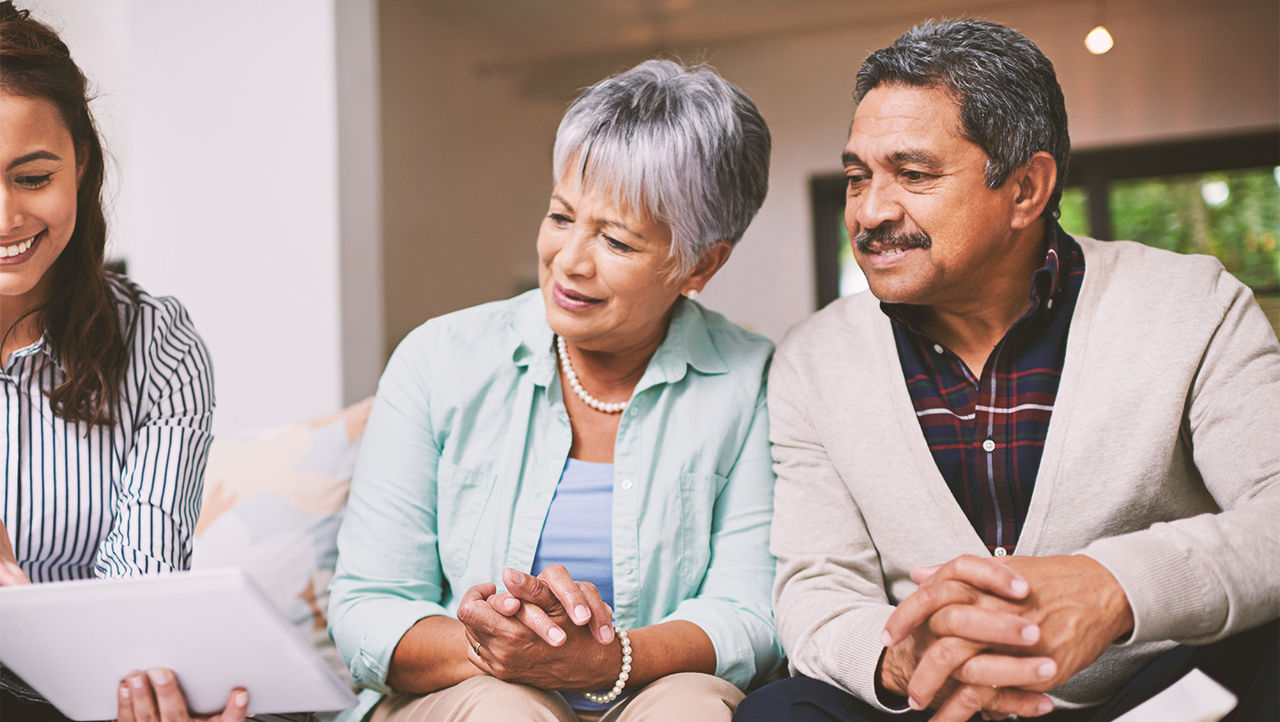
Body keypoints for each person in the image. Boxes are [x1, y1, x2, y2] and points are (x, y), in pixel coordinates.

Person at [737, 18, 1279, 722]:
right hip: (936, 710)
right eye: (856, 177)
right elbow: (817, 583)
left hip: (1153, 698)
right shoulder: (812, 360)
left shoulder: (1193, 305)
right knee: (779, 710)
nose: (869, 211)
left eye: (912, 174)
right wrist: (904, 658)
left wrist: (1112, 587)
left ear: (1025, 189)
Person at [328, 59, 781, 722]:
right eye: (562, 217)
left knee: (693, 709)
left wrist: (607, 660)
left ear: (701, 263)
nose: (569, 260)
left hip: (652, 692)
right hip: (463, 695)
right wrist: (503, 650)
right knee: (507, 710)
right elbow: (369, 603)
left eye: (617, 240)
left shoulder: (752, 381)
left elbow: (749, 612)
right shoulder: (439, 360)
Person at [0, 3, 238, 720]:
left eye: (33, 178)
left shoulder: (159, 347)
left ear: (82, 162)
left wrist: (14, 597)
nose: (5, 218)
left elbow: (135, 619)